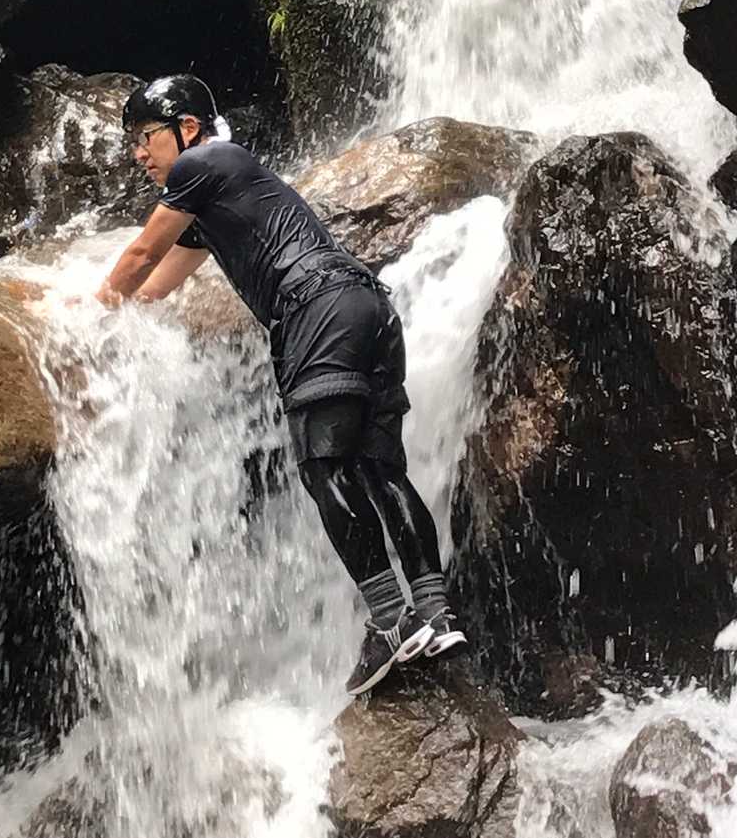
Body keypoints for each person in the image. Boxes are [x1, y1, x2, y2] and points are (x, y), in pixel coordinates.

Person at [95, 73, 466, 695]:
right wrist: (121, 310)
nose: (138, 153)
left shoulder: (204, 162)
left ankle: (390, 621)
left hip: (316, 311)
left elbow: (137, 260)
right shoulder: (219, 191)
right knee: (379, 469)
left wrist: (91, 310)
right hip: (367, 307)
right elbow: (156, 286)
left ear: (188, 128)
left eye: (145, 136)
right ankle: (435, 614)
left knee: (324, 469)